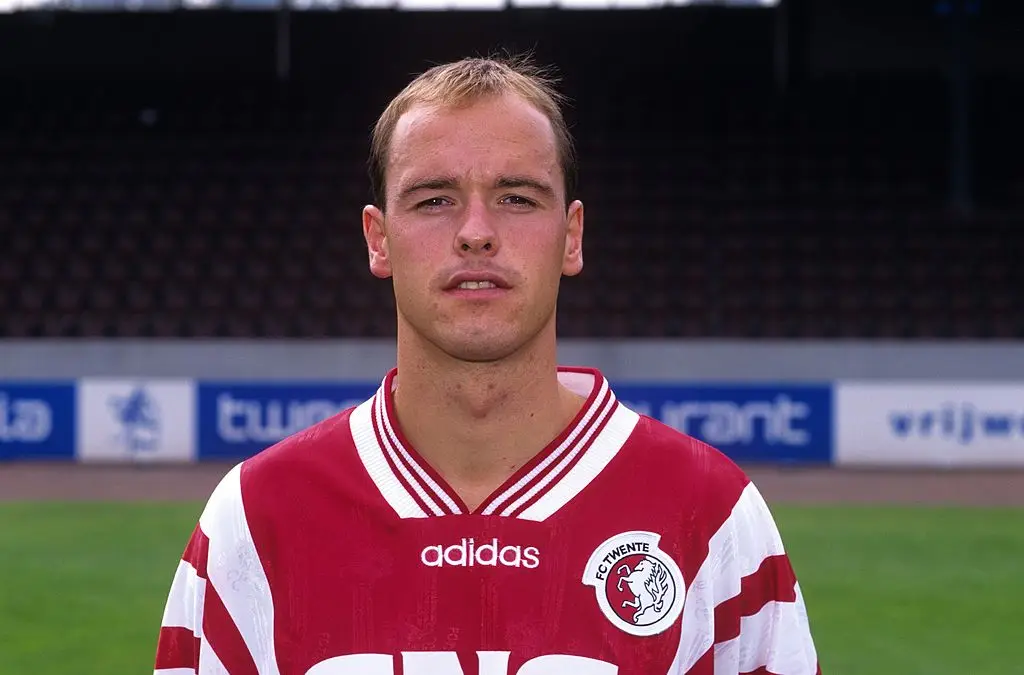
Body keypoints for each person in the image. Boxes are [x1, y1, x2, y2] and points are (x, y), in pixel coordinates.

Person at [153, 54, 821, 675]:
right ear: (378, 239)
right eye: (434, 198)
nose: (476, 230)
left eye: (517, 197)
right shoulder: (257, 518)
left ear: (573, 235)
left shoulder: (710, 515)